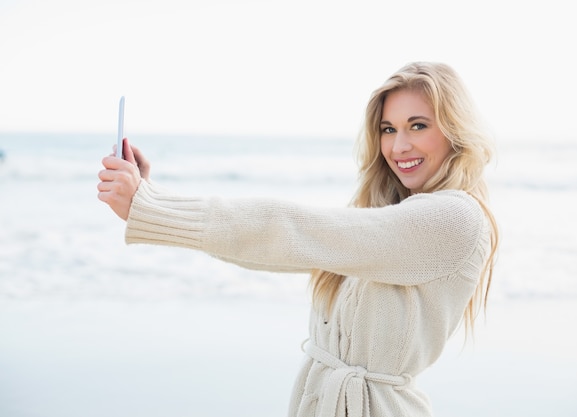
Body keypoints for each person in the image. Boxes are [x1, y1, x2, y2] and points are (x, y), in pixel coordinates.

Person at [97, 61, 499, 417]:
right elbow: (272, 248)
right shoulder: (390, 220)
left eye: (418, 126)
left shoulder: (455, 217)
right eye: (388, 129)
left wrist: (150, 208)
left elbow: (292, 230)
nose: (399, 146)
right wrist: (152, 199)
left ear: (454, 131)